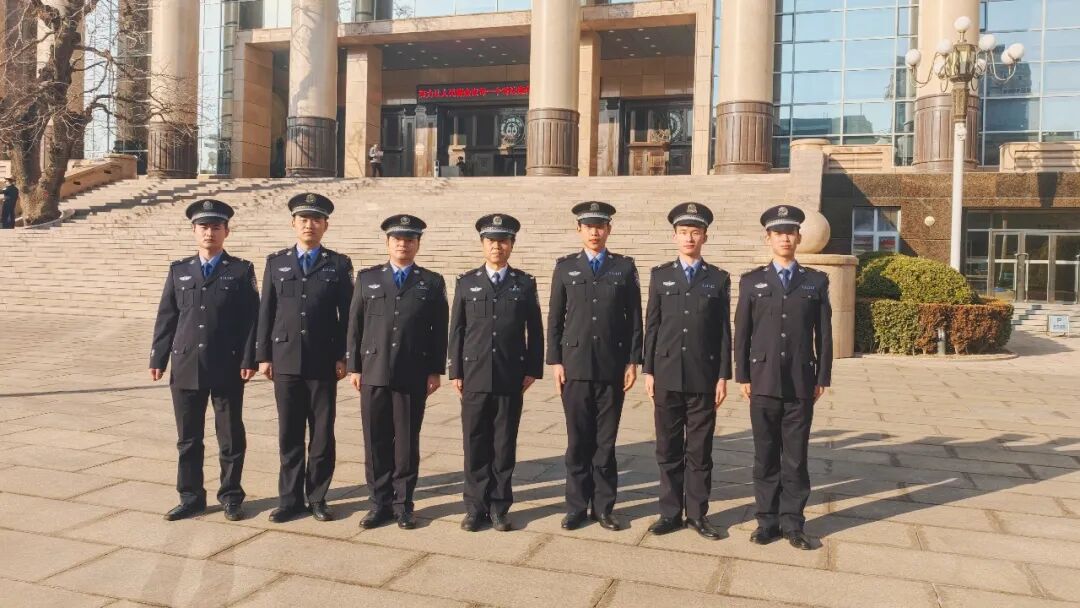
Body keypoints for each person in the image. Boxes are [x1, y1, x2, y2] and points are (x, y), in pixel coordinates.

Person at [149, 199, 259, 522]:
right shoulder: (179, 270)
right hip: (186, 364)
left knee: (230, 436)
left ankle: (231, 496)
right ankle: (191, 497)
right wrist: (158, 357)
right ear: (194, 231)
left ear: (226, 232)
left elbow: (252, 320)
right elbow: (167, 317)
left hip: (227, 365)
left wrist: (250, 358)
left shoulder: (240, 270)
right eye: (203, 227)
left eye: (216, 227)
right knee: (188, 438)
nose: (209, 232)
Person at [734, 204, 833, 551]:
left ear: (799, 238)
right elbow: (742, 333)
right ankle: (766, 521)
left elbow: (824, 333)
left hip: (800, 380)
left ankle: (793, 523)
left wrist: (822, 375)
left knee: (795, 457)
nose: (785, 238)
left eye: (790, 232)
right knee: (765, 455)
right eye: (778, 233)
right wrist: (742, 375)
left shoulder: (815, 281)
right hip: (761, 380)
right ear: (769, 238)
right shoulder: (752, 281)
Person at [256, 193, 354, 523]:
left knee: (322, 434)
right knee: (290, 433)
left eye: (316, 219)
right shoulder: (276, 262)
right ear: (293, 224)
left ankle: (317, 497)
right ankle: (289, 500)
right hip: (284, 359)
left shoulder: (338, 264)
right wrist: (263, 354)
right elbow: (266, 311)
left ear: (326, 225)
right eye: (303, 219)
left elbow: (348, 315)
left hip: (323, 360)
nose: (309, 225)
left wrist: (344, 356)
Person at [346, 214, 448, 530]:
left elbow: (439, 330)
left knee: (405, 443)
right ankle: (379, 504)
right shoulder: (367, 278)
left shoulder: (431, 282)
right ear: (388, 242)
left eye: (409, 239)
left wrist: (435, 370)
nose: (403, 244)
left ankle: (403, 505)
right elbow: (355, 325)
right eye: (397, 239)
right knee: (375, 441)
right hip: (373, 371)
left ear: (418, 244)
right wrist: (354, 367)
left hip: (411, 372)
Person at [547, 201, 643, 531]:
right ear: (579, 230)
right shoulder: (565, 268)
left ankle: (604, 507)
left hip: (612, 366)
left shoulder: (624, 267)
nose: (595, 232)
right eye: (589, 226)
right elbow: (555, 318)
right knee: (577, 442)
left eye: (600, 226)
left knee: (605, 443)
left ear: (609, 230)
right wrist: (555, 361)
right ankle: (576, 506)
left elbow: (635, 318)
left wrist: (633, 360)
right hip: (574, 366)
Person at [448, 214, 544, 532]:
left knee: (504, 445)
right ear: (482, 244)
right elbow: (457, 330)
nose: (497, 246)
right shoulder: (467, 282)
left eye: (503, 241)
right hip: (474, 375)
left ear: (511, 245)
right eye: (491, 241)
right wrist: (456, 370)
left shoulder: (524, 283)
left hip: (509, 375)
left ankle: (500, 507)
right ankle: (475, 508)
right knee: (475, 443)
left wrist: (532, 369)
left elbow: (535, 330)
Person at [643, 202, 731, 540]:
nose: (689, 238)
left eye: (695, 232)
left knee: (699, 450)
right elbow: (652, 325)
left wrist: (723, 375)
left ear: (705, 236)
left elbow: (723, 331)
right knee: (667, 448)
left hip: (703, 376)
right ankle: (669, 513)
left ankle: (697, 514)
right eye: (683, 232)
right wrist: (648, 369)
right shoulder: (660, 275)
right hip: (666, 373)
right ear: (674, 236)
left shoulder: (718, 278)